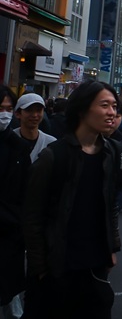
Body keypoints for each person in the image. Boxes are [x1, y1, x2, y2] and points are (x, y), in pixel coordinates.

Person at [23, 81, 122, 319]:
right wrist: (40, 268)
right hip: (59, 268)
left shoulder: (112, 152)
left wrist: (112, 247)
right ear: (82, 109)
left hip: (96, 266)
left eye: (114, 106)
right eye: (104, 105)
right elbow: (31, 216)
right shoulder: (53, 156)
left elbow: (110, 205)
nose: (112, 112)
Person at [0, 93, 55, 316]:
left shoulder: (51, 144)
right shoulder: (9, 141)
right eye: (29, 110)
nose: (34, 115)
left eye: (38, 110)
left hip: (34, 216)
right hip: (11, 219)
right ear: (19, 114)